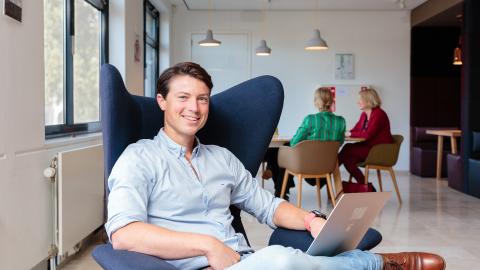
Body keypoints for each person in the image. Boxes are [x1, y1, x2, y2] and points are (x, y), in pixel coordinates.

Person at [105, 62, 445, 270]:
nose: (194, 107)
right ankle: (379, 265)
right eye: (183, 97)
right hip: (193, 266)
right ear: (162, 102)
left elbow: (268, 206)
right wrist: (208, 246)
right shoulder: (139, 158)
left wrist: (312, 221)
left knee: (280, 262)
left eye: (202, 98)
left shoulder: (221, 159)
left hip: (246, 263)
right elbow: (124, 234)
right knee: (281, 261)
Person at [267, 87, 347, 199]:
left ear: (316, 102)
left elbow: (294, 142)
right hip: (327, 166)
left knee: (282, 150)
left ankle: (281, 193)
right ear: (332, 101)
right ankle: (283, 189)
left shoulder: (311, 119)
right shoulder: (341, 121)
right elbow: (340, 142)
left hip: (305, 166)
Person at [338, 88, 393, 184]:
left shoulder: (379, 114)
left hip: (379, 150)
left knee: (347, 148)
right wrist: (344, 132)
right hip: (368, 148)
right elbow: (355, 130)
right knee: (348, 160)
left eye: (360, 99)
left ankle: (326, 175)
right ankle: (367, 188)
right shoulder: (364, 114)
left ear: (368, 100)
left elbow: (367, 135)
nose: (358, 102)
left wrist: (350, 134)